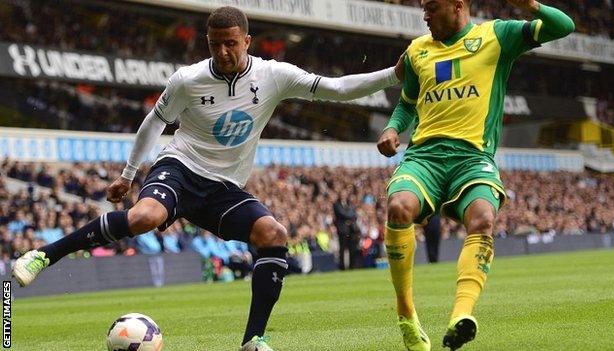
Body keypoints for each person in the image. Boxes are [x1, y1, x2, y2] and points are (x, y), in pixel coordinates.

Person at [12, 6, 403, 351]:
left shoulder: (274, 76)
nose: (222, 52)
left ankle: (253, 340)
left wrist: (393, 75)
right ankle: (44, 255)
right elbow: (155, 122)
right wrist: (129, 174)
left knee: (274, 234)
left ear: (247, 41)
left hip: (224, 188)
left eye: (231, 43)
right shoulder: (188, 79)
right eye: (215, 44)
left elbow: (336, 89)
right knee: (144, 216)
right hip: (180, 168)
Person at [376, 1, 574, 350]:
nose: (425, 16)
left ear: (458, 6)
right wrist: (393, 129)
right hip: (425, 157)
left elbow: (564, 26)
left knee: (483, 218)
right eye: (423, 8)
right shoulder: (417, 50)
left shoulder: (496, 36)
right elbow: (408, 103)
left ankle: (461, 315)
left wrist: (530, 6)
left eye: (432, 8)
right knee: (398, 207)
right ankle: (406, 313)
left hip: (473, 157)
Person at [333, 190, 359, 270]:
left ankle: (352, 266)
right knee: (342, 249)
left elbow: (354, 214)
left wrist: (349, 218)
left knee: (352, 248)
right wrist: (349, 217)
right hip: (342, 230)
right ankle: (342, 266)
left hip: (351, 229)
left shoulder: (349, 204)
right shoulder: (336, 204)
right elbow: (342, 213)